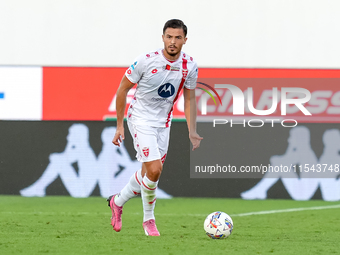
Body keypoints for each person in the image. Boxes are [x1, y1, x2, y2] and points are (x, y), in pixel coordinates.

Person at [107, 19, 202, 236]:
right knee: (155, 170)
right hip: (140, 119)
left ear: (185, 40)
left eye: (178, 38)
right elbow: (122, 90)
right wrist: (119, 126)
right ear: (162, 38)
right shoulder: (145, 61)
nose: (173, 42)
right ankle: (148, 220)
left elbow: (189, 100)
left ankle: (117, 201)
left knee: (148, 174)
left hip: (163, 124)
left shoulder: (190, 66)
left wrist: (192, 130)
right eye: (169, 37)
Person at [20, 124, 98, 197]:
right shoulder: (83, 149)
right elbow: (65, 156)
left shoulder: (84, 150)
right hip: (80, 189)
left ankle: (38, 188)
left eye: (71, 134)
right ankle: (38, 188)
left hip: (82, 191)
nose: (68, 137)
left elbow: (65, 158)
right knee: (59, 160)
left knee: (59, 161)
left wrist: (69, 144)